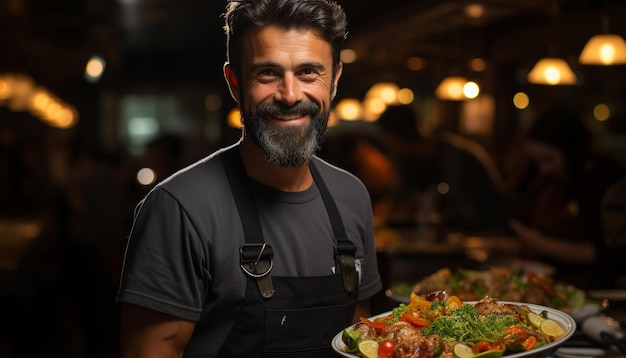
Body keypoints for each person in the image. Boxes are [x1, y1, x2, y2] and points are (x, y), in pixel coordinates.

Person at [116, 0, 382, 357]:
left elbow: (359, 340)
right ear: (235, 83)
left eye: (308, 73)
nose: (290, 95)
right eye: (267, 73)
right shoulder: (180, 208)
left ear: (334, 80)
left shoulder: (352, 196)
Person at [509, 106, 625, 289]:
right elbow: (521, 225)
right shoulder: (546, 180)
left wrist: (541, 244)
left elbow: (612, 254)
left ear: (571, 149)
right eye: (538, 161)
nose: (543, 169)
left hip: (594, 287)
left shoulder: (606, 179)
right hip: (543, 282)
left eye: (548, 159)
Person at [375, 104, 510, 233]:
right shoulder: (408, 160)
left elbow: (463, 209)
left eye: (386, 136)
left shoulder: (454, 156)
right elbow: (401, 200)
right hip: (441, 234)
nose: (386, 143)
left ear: (397, 135)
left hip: (482, 232)